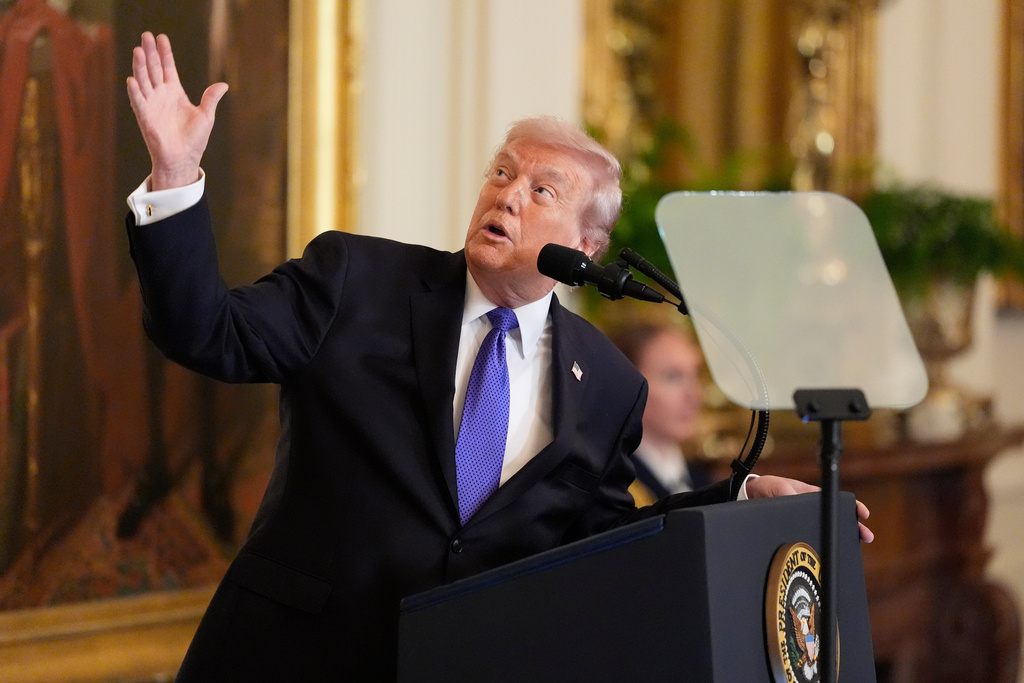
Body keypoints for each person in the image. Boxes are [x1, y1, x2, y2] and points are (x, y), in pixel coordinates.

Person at [124, 32, 871, 681]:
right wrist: (175, 177)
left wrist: (739, 505)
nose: (509, 196)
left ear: (587, 245)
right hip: (291, 658)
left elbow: (601, 540)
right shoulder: (357, 279)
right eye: (503, 172)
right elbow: (206, 330)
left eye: (542, 188)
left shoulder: (607, 381)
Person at [610, 321, 711, 506]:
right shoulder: (614, 487)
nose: (694, 395)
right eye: (673, 376)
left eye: (695, 375)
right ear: (628, 385)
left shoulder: (703, 480)